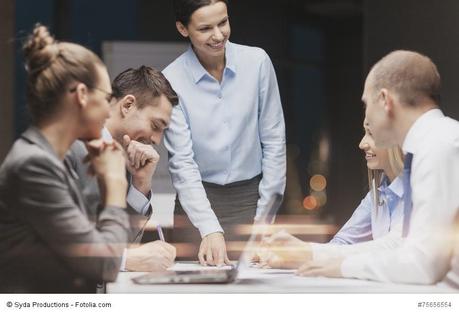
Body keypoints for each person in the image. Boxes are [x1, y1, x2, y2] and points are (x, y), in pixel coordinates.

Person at [296, 50, 459, 284]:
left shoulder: (438, 146)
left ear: (384, 100)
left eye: (366, 104)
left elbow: (423, 264)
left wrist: (342, 266)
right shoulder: (438, 140)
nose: (367, 116)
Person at [0, 24, 129, 293]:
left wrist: (106, 186)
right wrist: (116, 184)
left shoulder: (50, 160)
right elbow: (104, 263)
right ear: (82, 95)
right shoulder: (33, 165)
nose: (109, 109)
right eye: (107, 97)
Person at [163, 0, 286, 266]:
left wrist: (264, 221)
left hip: (251, 200)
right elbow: (182, 162)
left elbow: (274, 141)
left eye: (223, 22)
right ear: (183, 29)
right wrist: (208, 227)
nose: (218, 35)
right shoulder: (171, 80)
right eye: (205, 28)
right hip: (196, 206)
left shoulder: (257, 63)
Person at [67, 66, 178, 271]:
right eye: (155, 125)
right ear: (127, 105)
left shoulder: (123, 160)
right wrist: (125, 260)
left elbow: (122, 244)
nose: (156, 140)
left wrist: (140, 184)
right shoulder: (69, 145)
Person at [255, 120, 406, 269]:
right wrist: (294, 260)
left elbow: (396, 247)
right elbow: (342, 243)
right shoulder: (378, 194)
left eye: (371, 134)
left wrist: (307, 252)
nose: (362, 144)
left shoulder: (418, 189)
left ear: (396, 137)